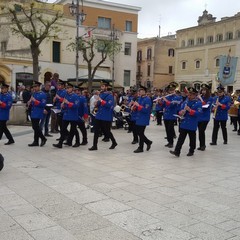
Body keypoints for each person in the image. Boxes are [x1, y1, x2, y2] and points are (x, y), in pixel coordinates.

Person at [170, 87, 202, 157]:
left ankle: (191, 150)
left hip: (192, 123)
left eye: (191, 95)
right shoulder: (185, 102)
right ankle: (177, 151)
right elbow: (180, 109)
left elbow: (198, 113)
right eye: (188, 94)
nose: (189, 96)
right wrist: (180, 112)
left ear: (195, 95)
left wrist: (190, 110)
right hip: (184, 122)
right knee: (181, 138)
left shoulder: (198, 103)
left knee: (192, 138)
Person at [89, 81, 117, 151]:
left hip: (106, 116)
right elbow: (99, 103)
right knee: (96, 131)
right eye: (101, 86)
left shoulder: (110, 95)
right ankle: (94, 146)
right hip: (99, 115)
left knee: (107, 131)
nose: (101, 88)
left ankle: (114, 142)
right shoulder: (101, 94)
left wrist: (101, 101)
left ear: (106, 87)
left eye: (103, 86)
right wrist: (96, 103)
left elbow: (109, 105)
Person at [53, 83, 79, 149]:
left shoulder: (75, 96)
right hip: (66, 114)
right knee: (63, 129)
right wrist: (63, 105)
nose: (67, 89)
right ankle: (60, 143)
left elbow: (76, 106)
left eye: (69, 88)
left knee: (73, 130)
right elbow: (65, 104)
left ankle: (77, 142)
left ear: (72, 88)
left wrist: (68, 103)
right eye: (67, 88)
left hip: (73, 115)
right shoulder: (66, 95)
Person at [132, 86, 152, 153]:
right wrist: (133, 107)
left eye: (142, 91)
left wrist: (138, 106)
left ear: (145, 92)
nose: (140, 92)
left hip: (144, 118)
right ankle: (148, 142)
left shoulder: (148, 99)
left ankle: (141, 147)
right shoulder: (139, 98)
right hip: (138, 117)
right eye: (140, 91)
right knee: (139, 132)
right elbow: (137, 108)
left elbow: (146, 110)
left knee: (140, 133)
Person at [28, 81, 47, 147]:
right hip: (33, 112)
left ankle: (43, 138)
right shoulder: (34, 94)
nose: (34, 88)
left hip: (38, 112)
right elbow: (32, 102)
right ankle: (36, 141)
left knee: (36, 127)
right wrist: (30, 102)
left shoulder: (43, 94)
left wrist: (35, 101)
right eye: (34, 87)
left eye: (36, 87)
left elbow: (43, 104)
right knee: (34, 127)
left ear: (39, 87)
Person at [162, 82, 181, 148]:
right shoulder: (168, 97)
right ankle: (169, 141)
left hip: (172, 115)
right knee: (167, 129)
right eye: (170, 90)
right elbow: (164, 105)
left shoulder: (177, 97)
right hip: (166, 115)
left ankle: (171, 142)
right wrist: (160, 101)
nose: (171, 91)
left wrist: (165, 100)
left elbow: (171, 104)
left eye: (172, 90)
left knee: (170, 129)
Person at [197, 83, 213, 151]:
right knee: (200, 132)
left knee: (201, 131)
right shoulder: (201, 97)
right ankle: (201, 145)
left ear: (207, 91)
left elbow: (206, 106)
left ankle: (203, 145)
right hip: (199, 117)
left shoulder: (210, 98)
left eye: (205, 90)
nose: (203, 91)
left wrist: (200, 99)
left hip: (205, 117)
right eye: (202, 90)